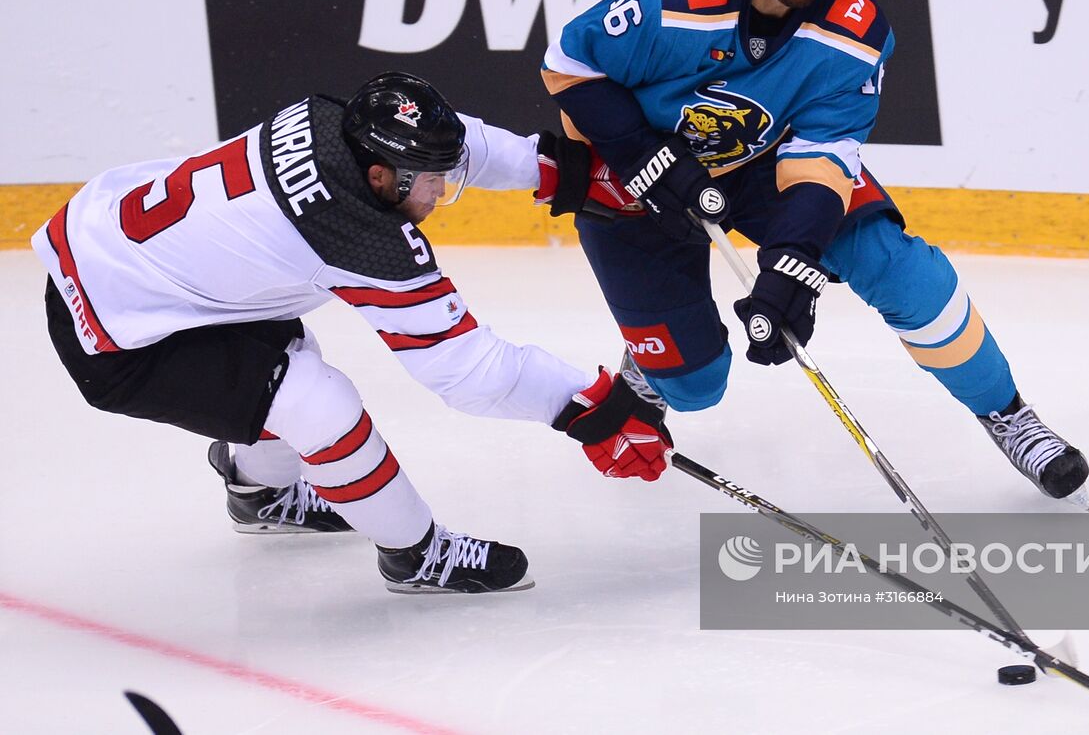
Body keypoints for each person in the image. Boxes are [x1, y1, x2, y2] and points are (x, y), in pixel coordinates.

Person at [536, 0, 1089, 502]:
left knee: (902, 269)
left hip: (761, 163)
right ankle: (654, 369)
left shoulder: (856, 35)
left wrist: (790, 267)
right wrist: (642, 158)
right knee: (696, 386)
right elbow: (568, 63)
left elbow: (823, 160)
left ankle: (1007, 412)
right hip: (631, 182)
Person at [35, 72, 674, 595]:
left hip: (121, 254)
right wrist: (588, 405)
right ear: (378, 180)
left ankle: (258, 489)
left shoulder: (337, 121)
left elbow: (450, 145)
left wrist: (558, 171)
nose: (442, 190)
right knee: (317, 404)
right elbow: (465, 371)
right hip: (117, 337)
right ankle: (415, 556)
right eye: (431, 185)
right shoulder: (356, 233)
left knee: (283, 357)